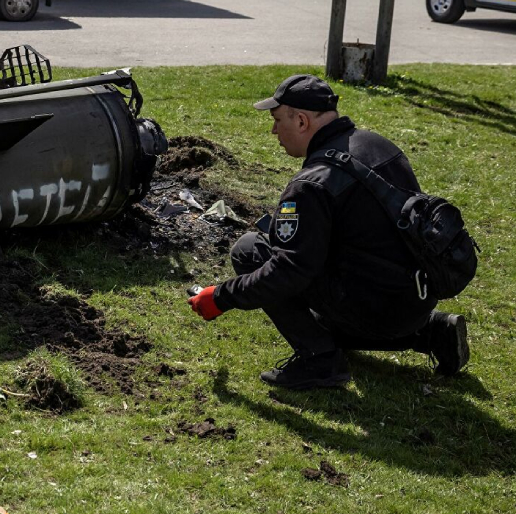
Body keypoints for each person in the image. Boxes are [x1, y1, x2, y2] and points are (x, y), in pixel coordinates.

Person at [186, 74, 469, 390]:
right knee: (323, 319)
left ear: (303, 121)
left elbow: (288, 273)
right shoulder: (378, 144)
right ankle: (432, 332)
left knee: (250, 250)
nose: (273, 131)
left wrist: (221, 297)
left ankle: (318, 360)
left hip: (377, 309)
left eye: (278, 120)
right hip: (416, 300)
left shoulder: (311, 184)